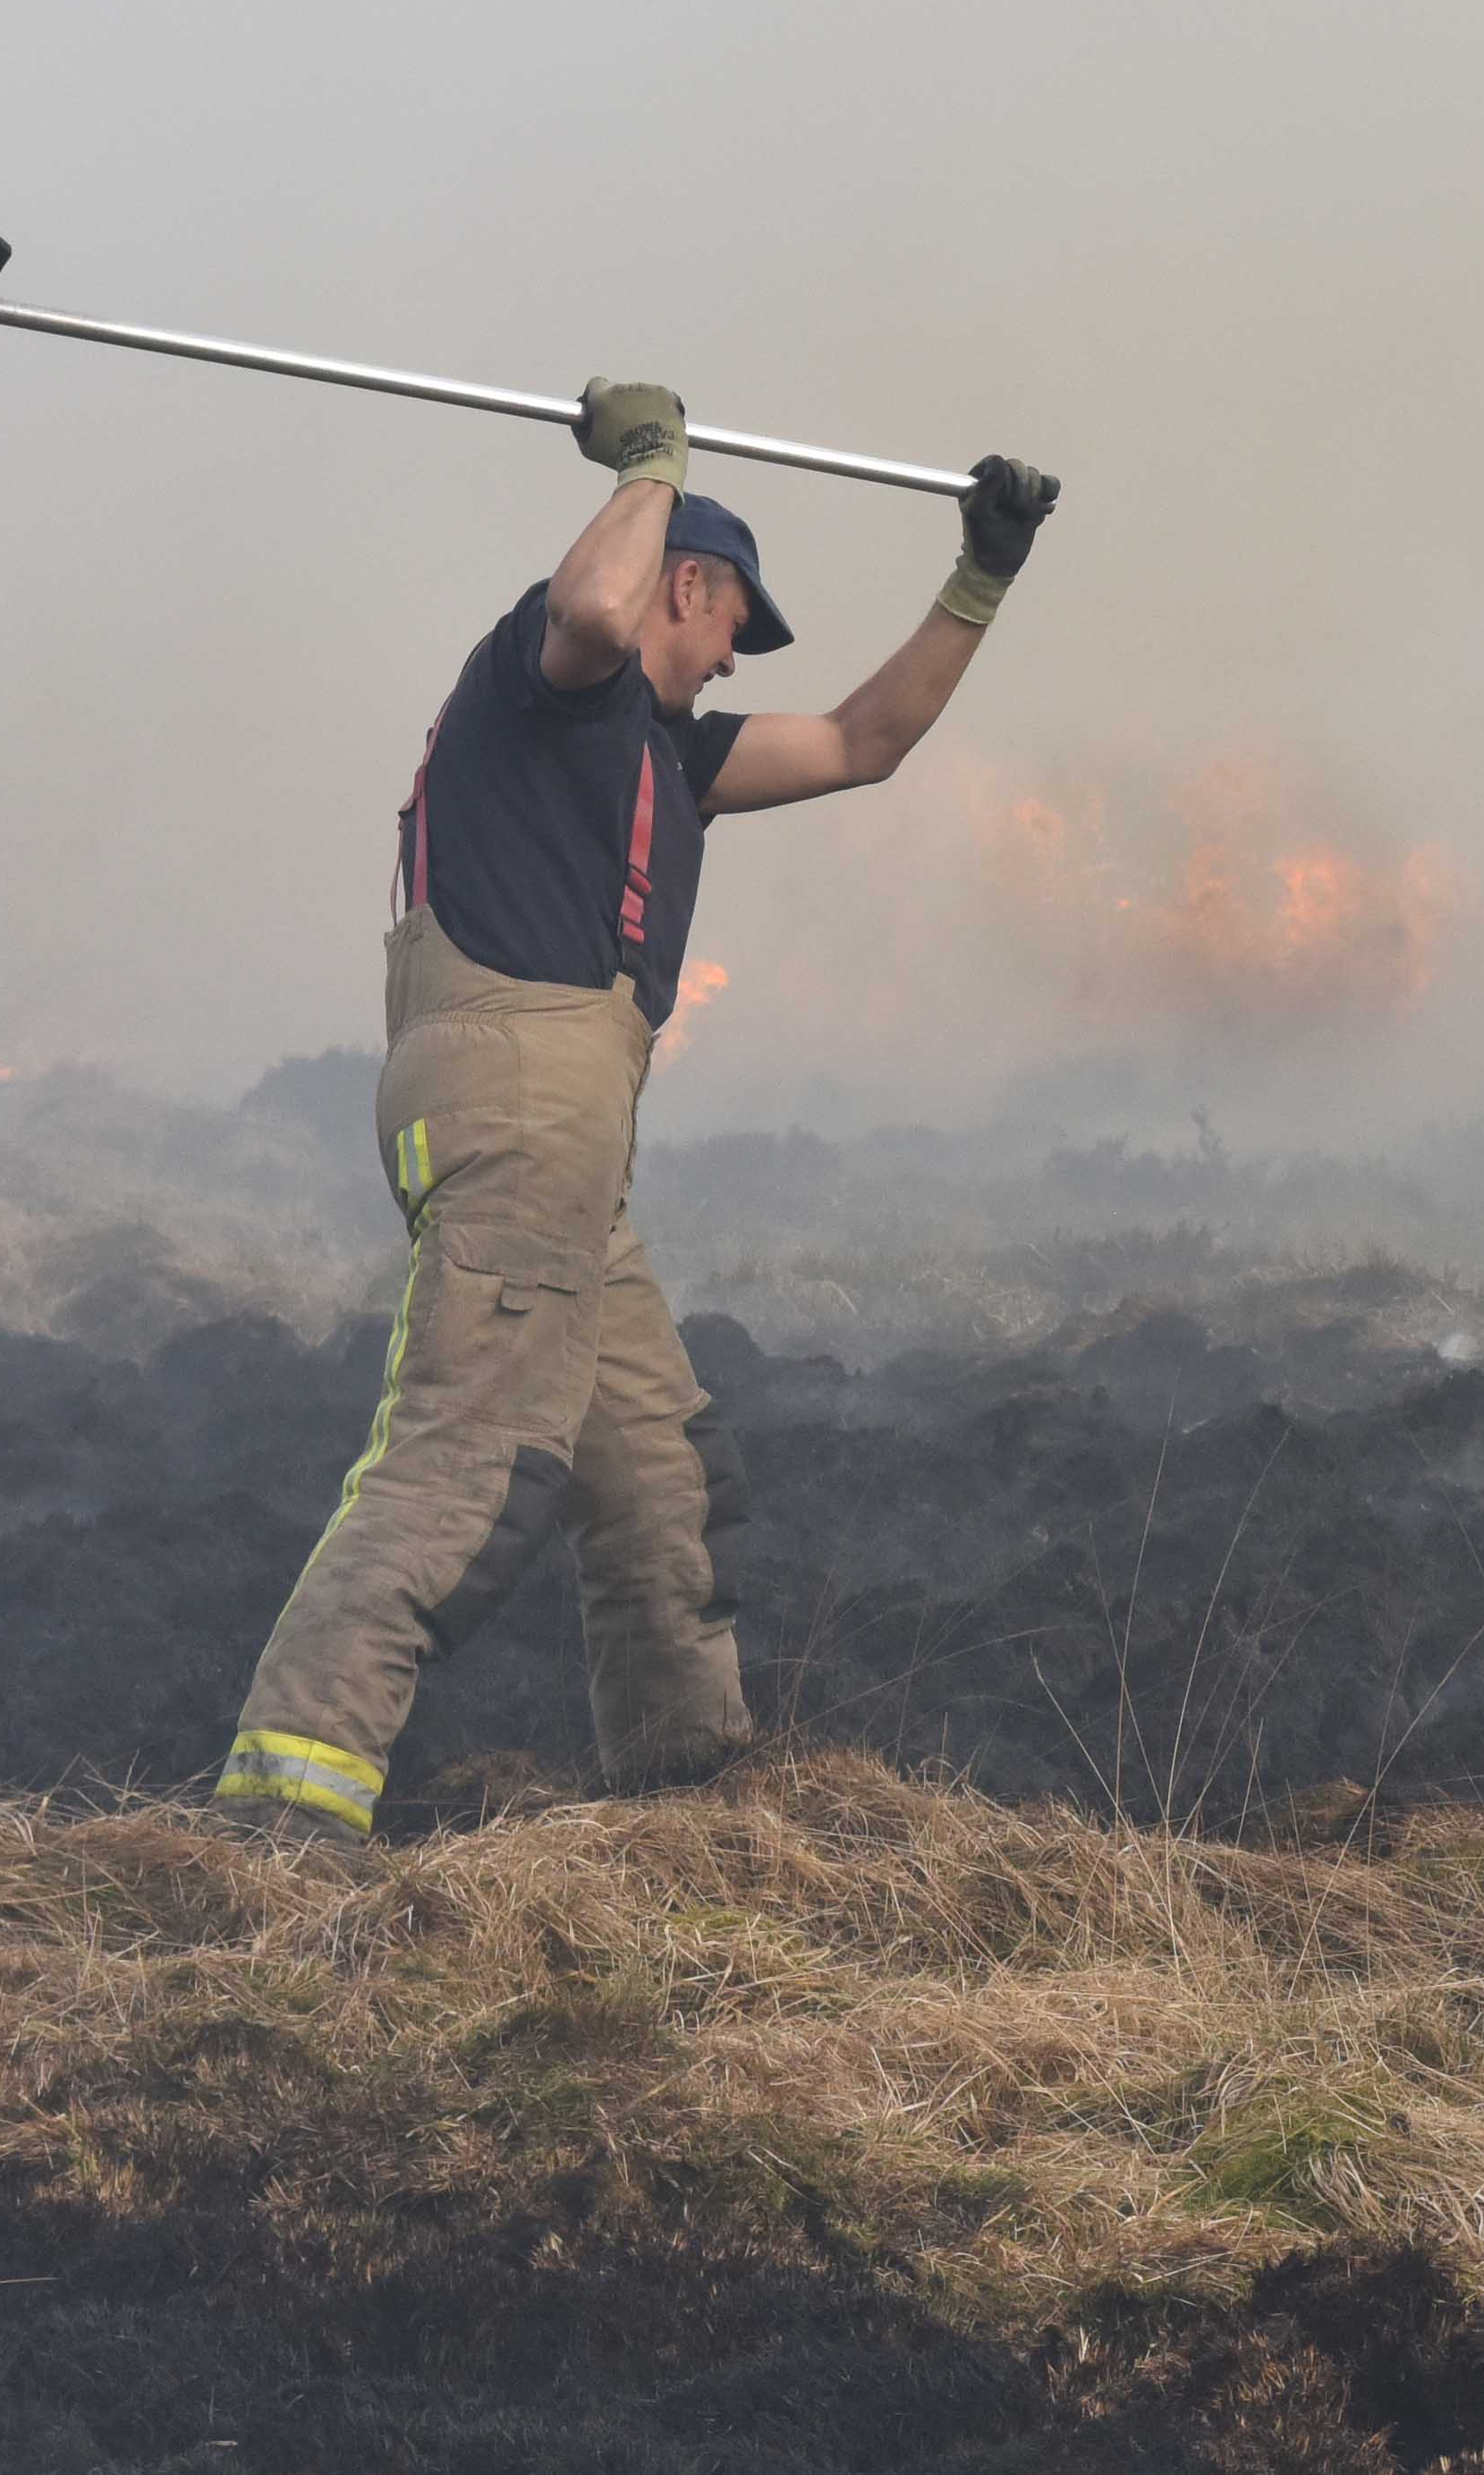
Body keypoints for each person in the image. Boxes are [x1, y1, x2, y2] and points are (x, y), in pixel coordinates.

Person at [214, 384, 1059, 1835]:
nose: (738, 654)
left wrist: (980, 577)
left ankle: (686, 1806)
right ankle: (280, 1818)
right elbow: (595, 613)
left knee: (660, 1477)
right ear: (690, 579)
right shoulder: (551, 680)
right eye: (736, 621)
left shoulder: (678, 758)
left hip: (574, 1139)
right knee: (469, 1464)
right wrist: (656, 463)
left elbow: (867, 741)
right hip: (516, 1096)